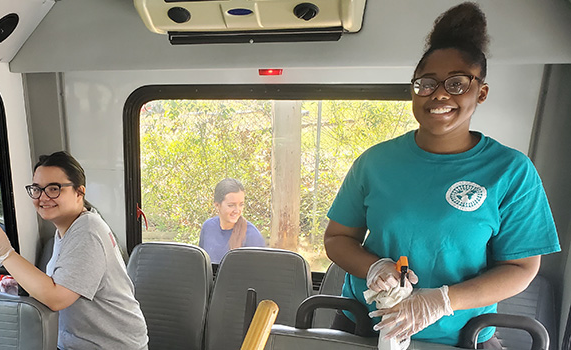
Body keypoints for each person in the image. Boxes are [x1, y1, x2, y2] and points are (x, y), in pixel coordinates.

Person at [323, 3, 561, 348]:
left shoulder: (511, 171)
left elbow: (521, 268)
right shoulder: (375, 162)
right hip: (363, 325)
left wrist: (442, 300)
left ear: (481, 92)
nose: (439, 93)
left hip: (462, 335)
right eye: (427, 83)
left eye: (457, 83)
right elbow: (337, 239)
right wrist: (376, 267)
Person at [0, 151, 148, 349]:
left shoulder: (87, 232)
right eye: (37, 189)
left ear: (79, 192)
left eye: (54, 189)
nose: (43, 197)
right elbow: (61, 283)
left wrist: (4, 252)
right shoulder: (67, 230)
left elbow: (57, 298)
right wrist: (23, 284)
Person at [198, 178, 266, 263]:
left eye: (241, 205)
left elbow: (259, 272)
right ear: (217, 205)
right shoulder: (208, 227)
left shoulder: (252, 235)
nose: (237, 210)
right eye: (231, 205)